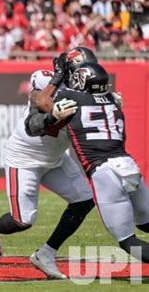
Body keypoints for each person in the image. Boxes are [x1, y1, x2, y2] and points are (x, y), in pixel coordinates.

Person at [27, 62, 149, 262]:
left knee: (128, 241)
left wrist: (58, 75)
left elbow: (41, 100)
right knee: (146, 223)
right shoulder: (113, 100)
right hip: (128, 164)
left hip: (104, 171)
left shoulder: (72, 99)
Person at [0, 69, 95, 279]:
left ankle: (46, 254)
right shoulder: (41, 95)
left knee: (85, 199)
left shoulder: (76, 94)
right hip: (24, 160)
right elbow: (34, 125)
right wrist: (52, 116)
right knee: (23, 220)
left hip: (57, 160)